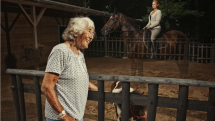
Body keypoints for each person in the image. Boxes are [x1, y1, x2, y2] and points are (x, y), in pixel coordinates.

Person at [41, 17, 98, 121]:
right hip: (61, 118)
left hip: (76, 116)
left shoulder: (80, 55)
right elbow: (46, 87)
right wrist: (64, 116)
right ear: (76, 32)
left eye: (92, 33)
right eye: (89, 31)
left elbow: (81, 80)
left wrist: (103, 91)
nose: (91, 37)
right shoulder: (60, 51)